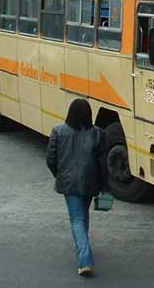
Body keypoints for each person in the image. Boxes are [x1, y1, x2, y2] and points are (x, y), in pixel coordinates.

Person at [46, 99, 108, 276]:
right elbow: (103, 163)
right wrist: (104, 184)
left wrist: (59, 174)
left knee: (77, 218)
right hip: (91, 181)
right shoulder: (98, 133)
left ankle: (85, 259)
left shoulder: (58, 131)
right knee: (82, 214)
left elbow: (50, 158)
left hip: (68, 182)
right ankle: (82, 244)